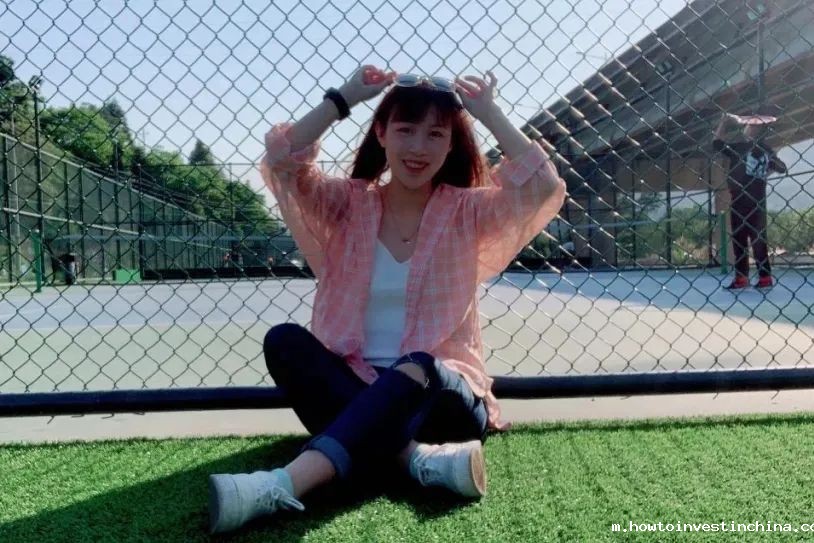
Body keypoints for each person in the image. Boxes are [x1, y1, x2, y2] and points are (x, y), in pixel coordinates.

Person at [207, 65, 566, 533]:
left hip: (440, 399)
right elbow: (282, 162)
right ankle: (418, 461)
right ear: (381, 133)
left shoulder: (468, 210)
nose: (419, 147)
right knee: (284, 341)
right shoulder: (347, 205)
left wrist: (489, 113)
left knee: (417, 364)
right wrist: (344, 98)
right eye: (405, 129)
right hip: (355, 381)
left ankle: (283, 484)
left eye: (436, 134)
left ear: (451, 145)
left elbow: (542, 188)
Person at [713, 113, 787, 289]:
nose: (747, 128)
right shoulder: (766, 150)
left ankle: (744, 278)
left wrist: (723, 123)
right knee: (757, 239)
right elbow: (781, 168)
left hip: (741, 199)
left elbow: (717, 143)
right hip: (757, 201)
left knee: (741, 240)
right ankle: (763, 277)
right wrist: (766, 168)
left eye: (751, 126)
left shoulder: (741, 148)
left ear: (754, 130)